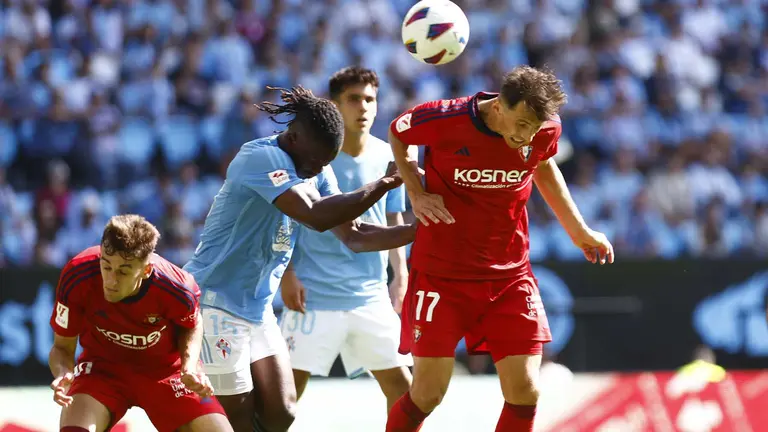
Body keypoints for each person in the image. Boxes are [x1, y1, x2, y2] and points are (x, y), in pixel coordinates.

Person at [385, 65, 615, 432]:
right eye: (521, 123)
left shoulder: (543, 128)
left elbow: (543, 165)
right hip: (441, 274)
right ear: (499, 108)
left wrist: (579, 229)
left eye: (536, 128)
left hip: (510, 275)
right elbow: (398, 132)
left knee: (525, 390)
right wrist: (415, 190)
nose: (527, 136)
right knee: (428, 393)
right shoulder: (445, 117)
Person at [184, 86, 417, 432]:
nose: (317, 170)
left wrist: (425, 229)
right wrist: (383, 184)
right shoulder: (258, 158)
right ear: (292, 138)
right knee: (239, 419)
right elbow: (316, 215)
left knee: (282, 412)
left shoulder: (316, 166)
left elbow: (354, 235)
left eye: (325, 163)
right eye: (314, 162)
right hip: (217, 302)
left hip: (257, 308)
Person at [280, 67, 413, 411]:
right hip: (313, 294)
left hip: (369, 295)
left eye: (370, 99)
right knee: (284, 400)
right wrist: (289, 273)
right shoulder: (311, 156)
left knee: (405, 393)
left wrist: (401, 273)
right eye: (354, 99)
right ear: (335, 105)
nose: (363, 107)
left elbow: (393, 216)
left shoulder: (389, 154)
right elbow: (285, 217)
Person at [48, 214, 232, 432]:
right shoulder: (77, 275)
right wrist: (63, 373)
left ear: (146, 270)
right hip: (101, 371)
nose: (111, 281)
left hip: (165, 372)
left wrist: (189, 366)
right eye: (106, 267)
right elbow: (61, 348)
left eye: (123, 272)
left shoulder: (178, 286)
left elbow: (191, 323)